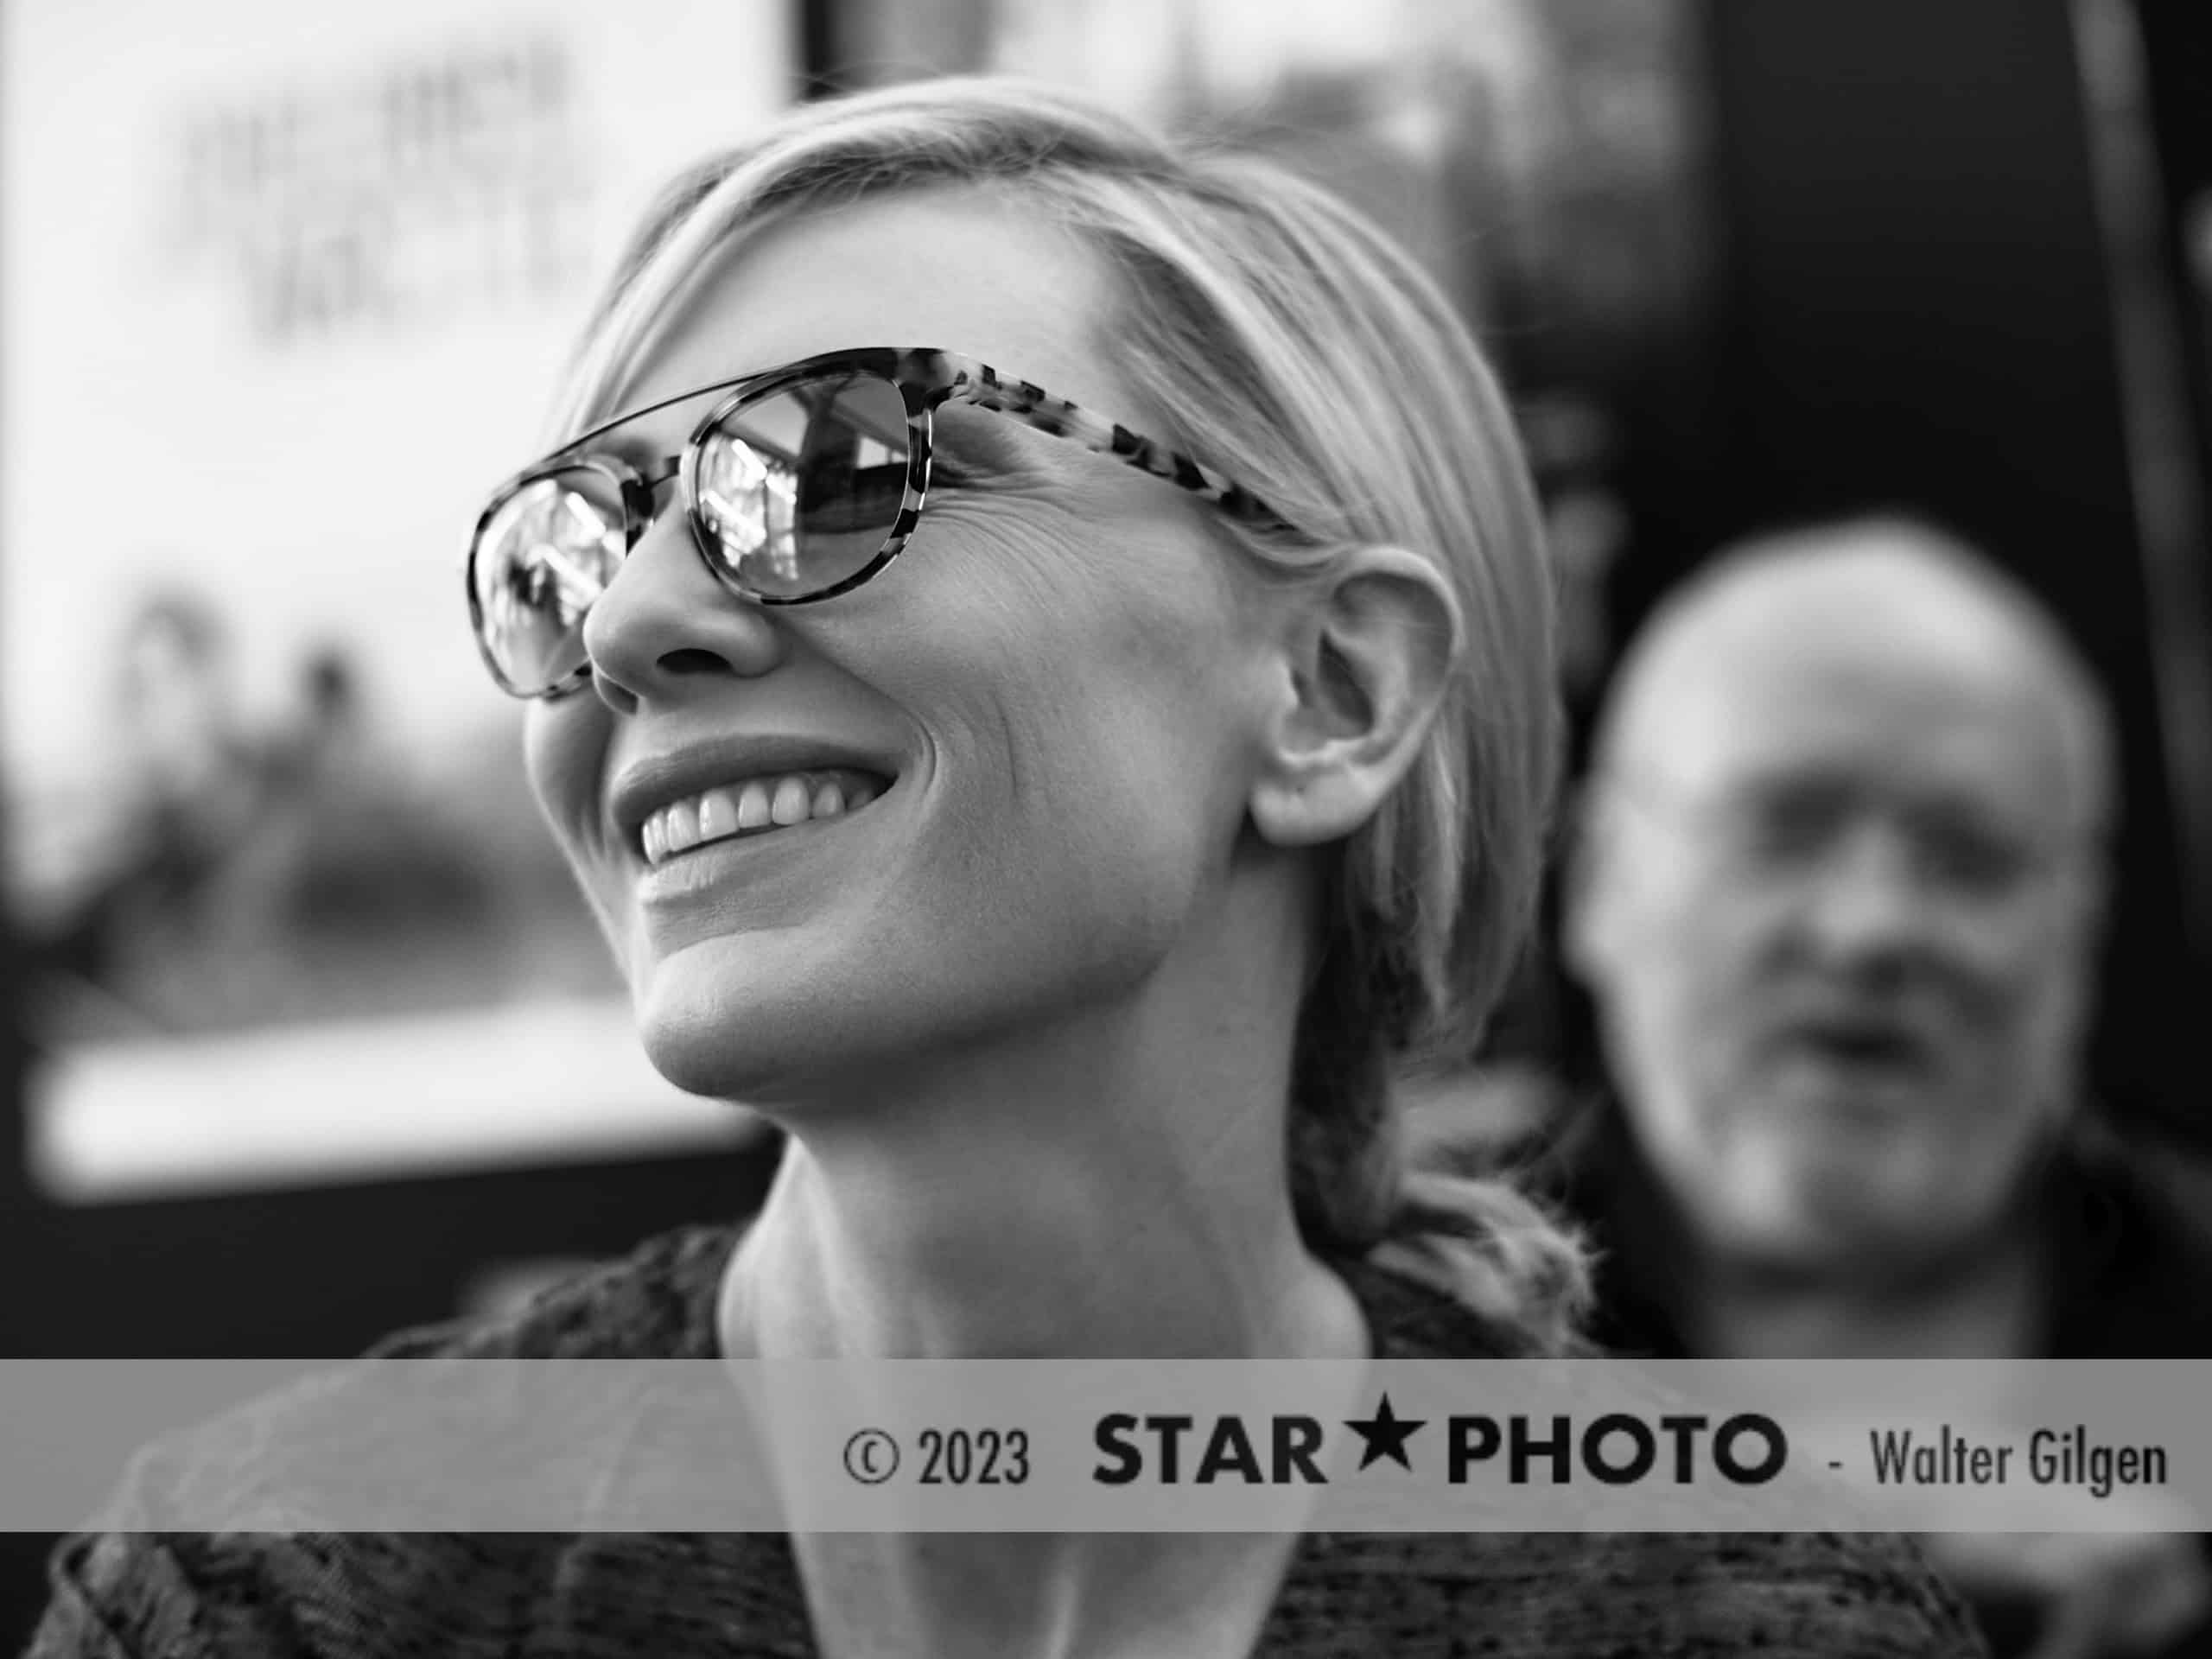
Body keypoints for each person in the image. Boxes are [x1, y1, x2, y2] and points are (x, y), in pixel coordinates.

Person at [29, 82, 1979, 1657]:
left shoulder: (1726, 1612)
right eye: (567, 546)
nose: (623, 620)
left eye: (827, 466)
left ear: (1327, 688)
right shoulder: (290, 1580)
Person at [1551, 516, 2212, 1656]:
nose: (1872, 930)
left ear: (2080, 930)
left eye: (1971, 857)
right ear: (1598, 882)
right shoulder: (1363, 1354)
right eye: (1783, 830)